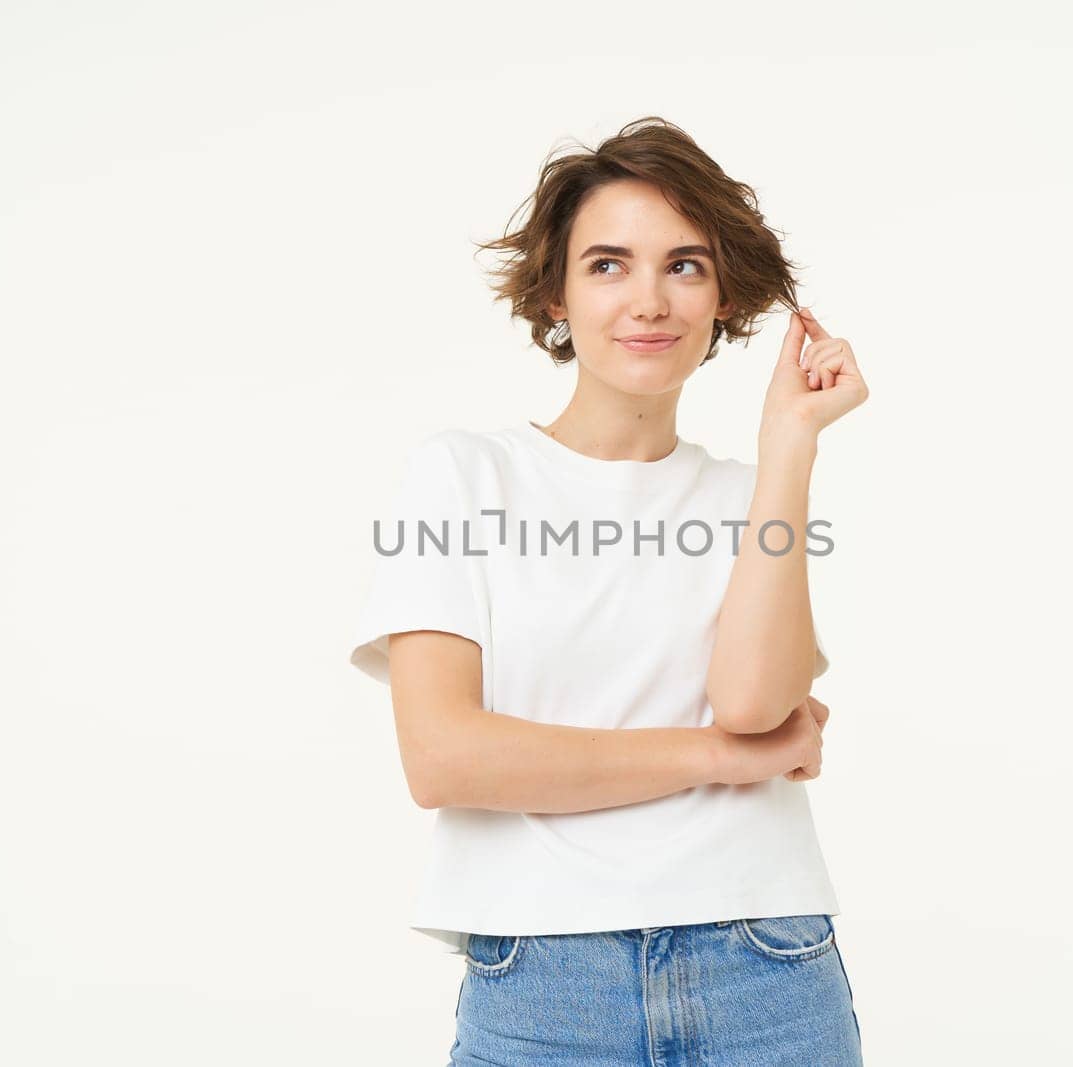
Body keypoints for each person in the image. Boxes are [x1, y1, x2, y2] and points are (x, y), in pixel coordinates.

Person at [349, 116, 870, 1065]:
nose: (649, 301)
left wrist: (791, 444)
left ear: (722, 298)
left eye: (684, 265)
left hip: (769, 962)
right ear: (556, 293)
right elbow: (445, 757)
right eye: (607, 265)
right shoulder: (463, 477)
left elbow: (757, 703)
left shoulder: (750, 497)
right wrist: (727, 756)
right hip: (546, 983)